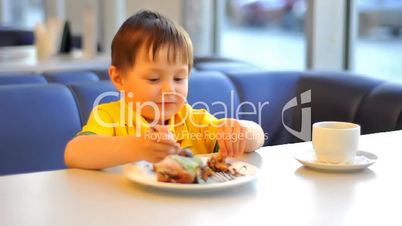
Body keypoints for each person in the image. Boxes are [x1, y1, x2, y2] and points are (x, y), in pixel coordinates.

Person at [64, 10, 265, 170]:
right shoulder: (110, 116)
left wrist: (242, 130)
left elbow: (257, 137)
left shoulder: (193, 120)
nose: (169, 89)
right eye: (154, 78)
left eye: (179, 78)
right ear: (119, 79)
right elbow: (74, 153)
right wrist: (136, 147)